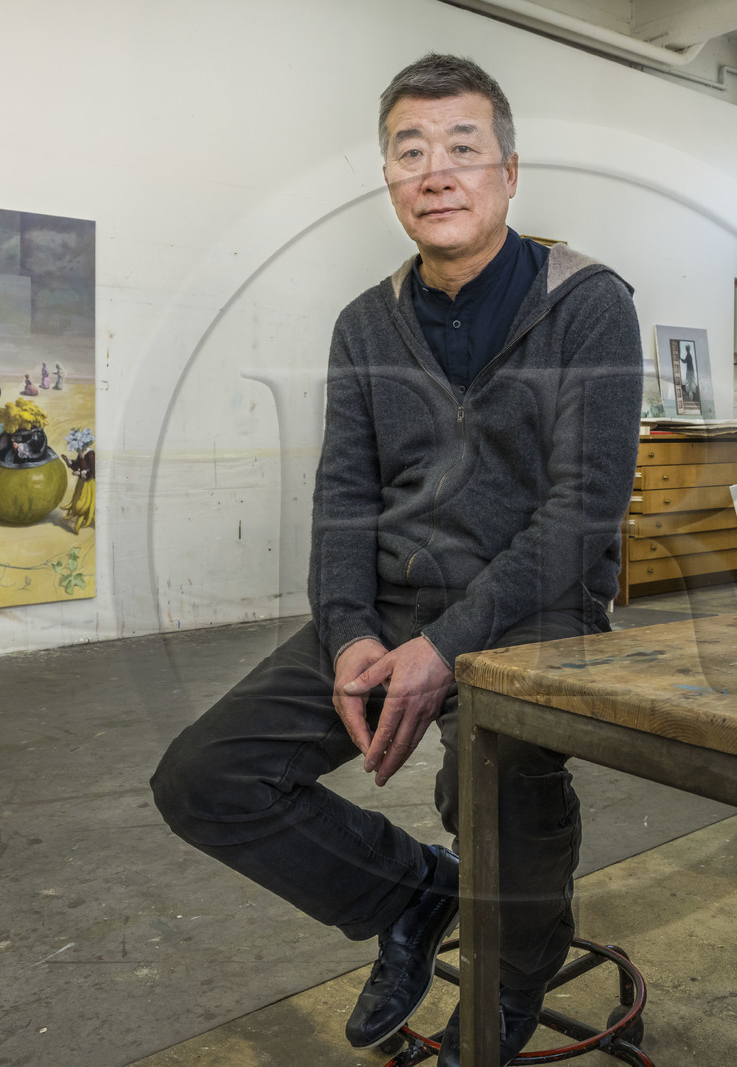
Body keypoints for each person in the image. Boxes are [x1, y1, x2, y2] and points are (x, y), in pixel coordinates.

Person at [150, 54, 641, 1066]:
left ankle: (513, 975)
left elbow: (582, 510)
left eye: (463, 147)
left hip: (532, 609)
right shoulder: (365, 323)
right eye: (410, 152)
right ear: (388, 179)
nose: (436, 172)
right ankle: (412, 895)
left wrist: (447, 648)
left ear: (509, 172)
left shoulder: (588, 303)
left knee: (490, 778)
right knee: (205, 776)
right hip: (389, 600)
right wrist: (349, 634)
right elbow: (342, 500)